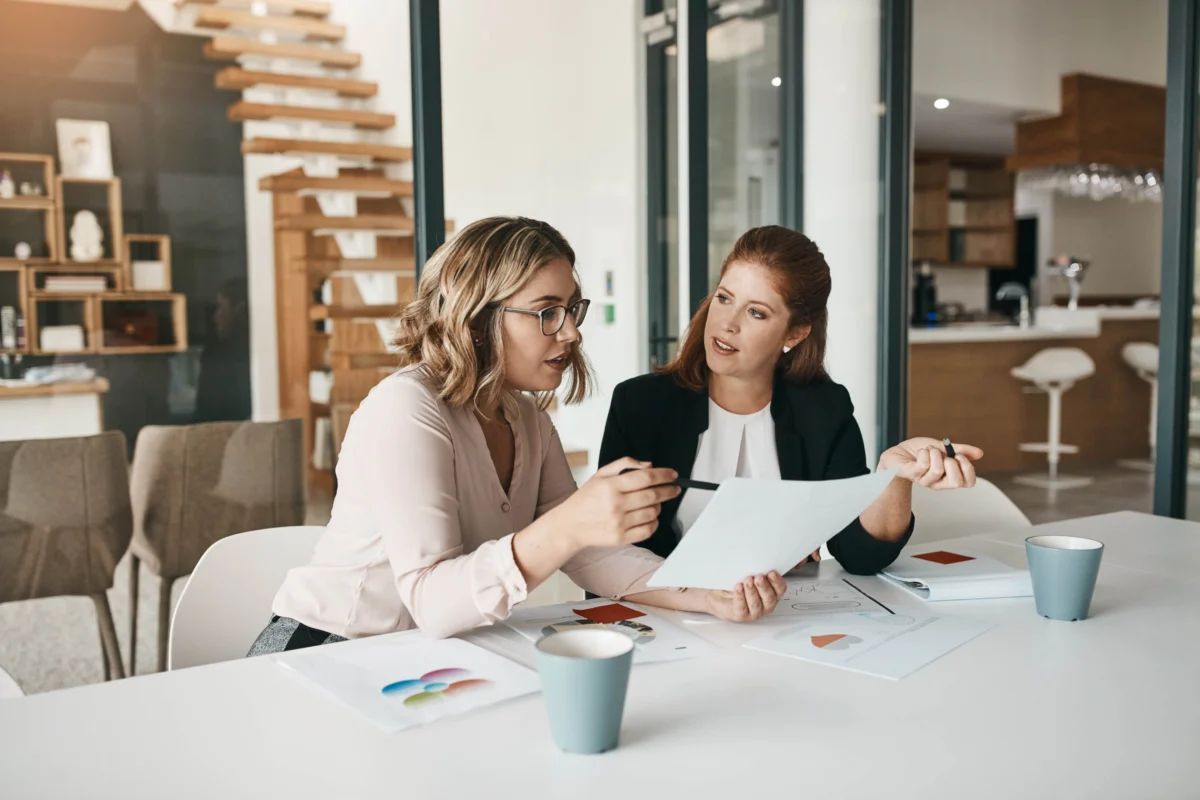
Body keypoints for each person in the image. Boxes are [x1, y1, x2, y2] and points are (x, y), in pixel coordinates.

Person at [247, 217, 782, 657]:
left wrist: (706, 595)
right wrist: (568, 525)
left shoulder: (527, 419)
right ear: (478, 318)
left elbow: (593, 556)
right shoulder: (406, 409)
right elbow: (431, 598)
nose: (571, 332)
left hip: (427, 655)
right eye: (547, 312)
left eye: (571, 310)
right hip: (325, 649)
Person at [599, 225, 983, 578]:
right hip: (667, 621)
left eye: (756, 312)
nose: (727, 323)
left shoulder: (825, 410)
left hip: (782, 623)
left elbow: (860, 556)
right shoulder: (640, 404)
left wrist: (893, 477)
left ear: (796, 333)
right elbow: (611, 555)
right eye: (724, 298)